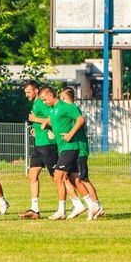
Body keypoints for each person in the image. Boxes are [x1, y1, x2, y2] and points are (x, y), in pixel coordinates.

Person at [45, 87, 103, 220]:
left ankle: (66, 209)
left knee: (62, 177)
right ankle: (87, 205)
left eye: (44, 99)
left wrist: (70, 134)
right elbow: (62, 126)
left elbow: (80, 120)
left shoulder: (68, 107)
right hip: (65, 147)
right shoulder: (55, 110)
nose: (44, 102)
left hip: (72, 148)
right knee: (74, 179)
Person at [22, 80, 57, 219]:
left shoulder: (42, 102)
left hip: (48, 144)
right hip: (39, 144)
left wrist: (34, 119)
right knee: (32, 175)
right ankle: (35, 209)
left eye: (28, 92)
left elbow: (52, 118)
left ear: (36, 91)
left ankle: (75, 203)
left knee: (57, 177)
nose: (26, 95)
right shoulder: (35, 103)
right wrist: (35, 130)